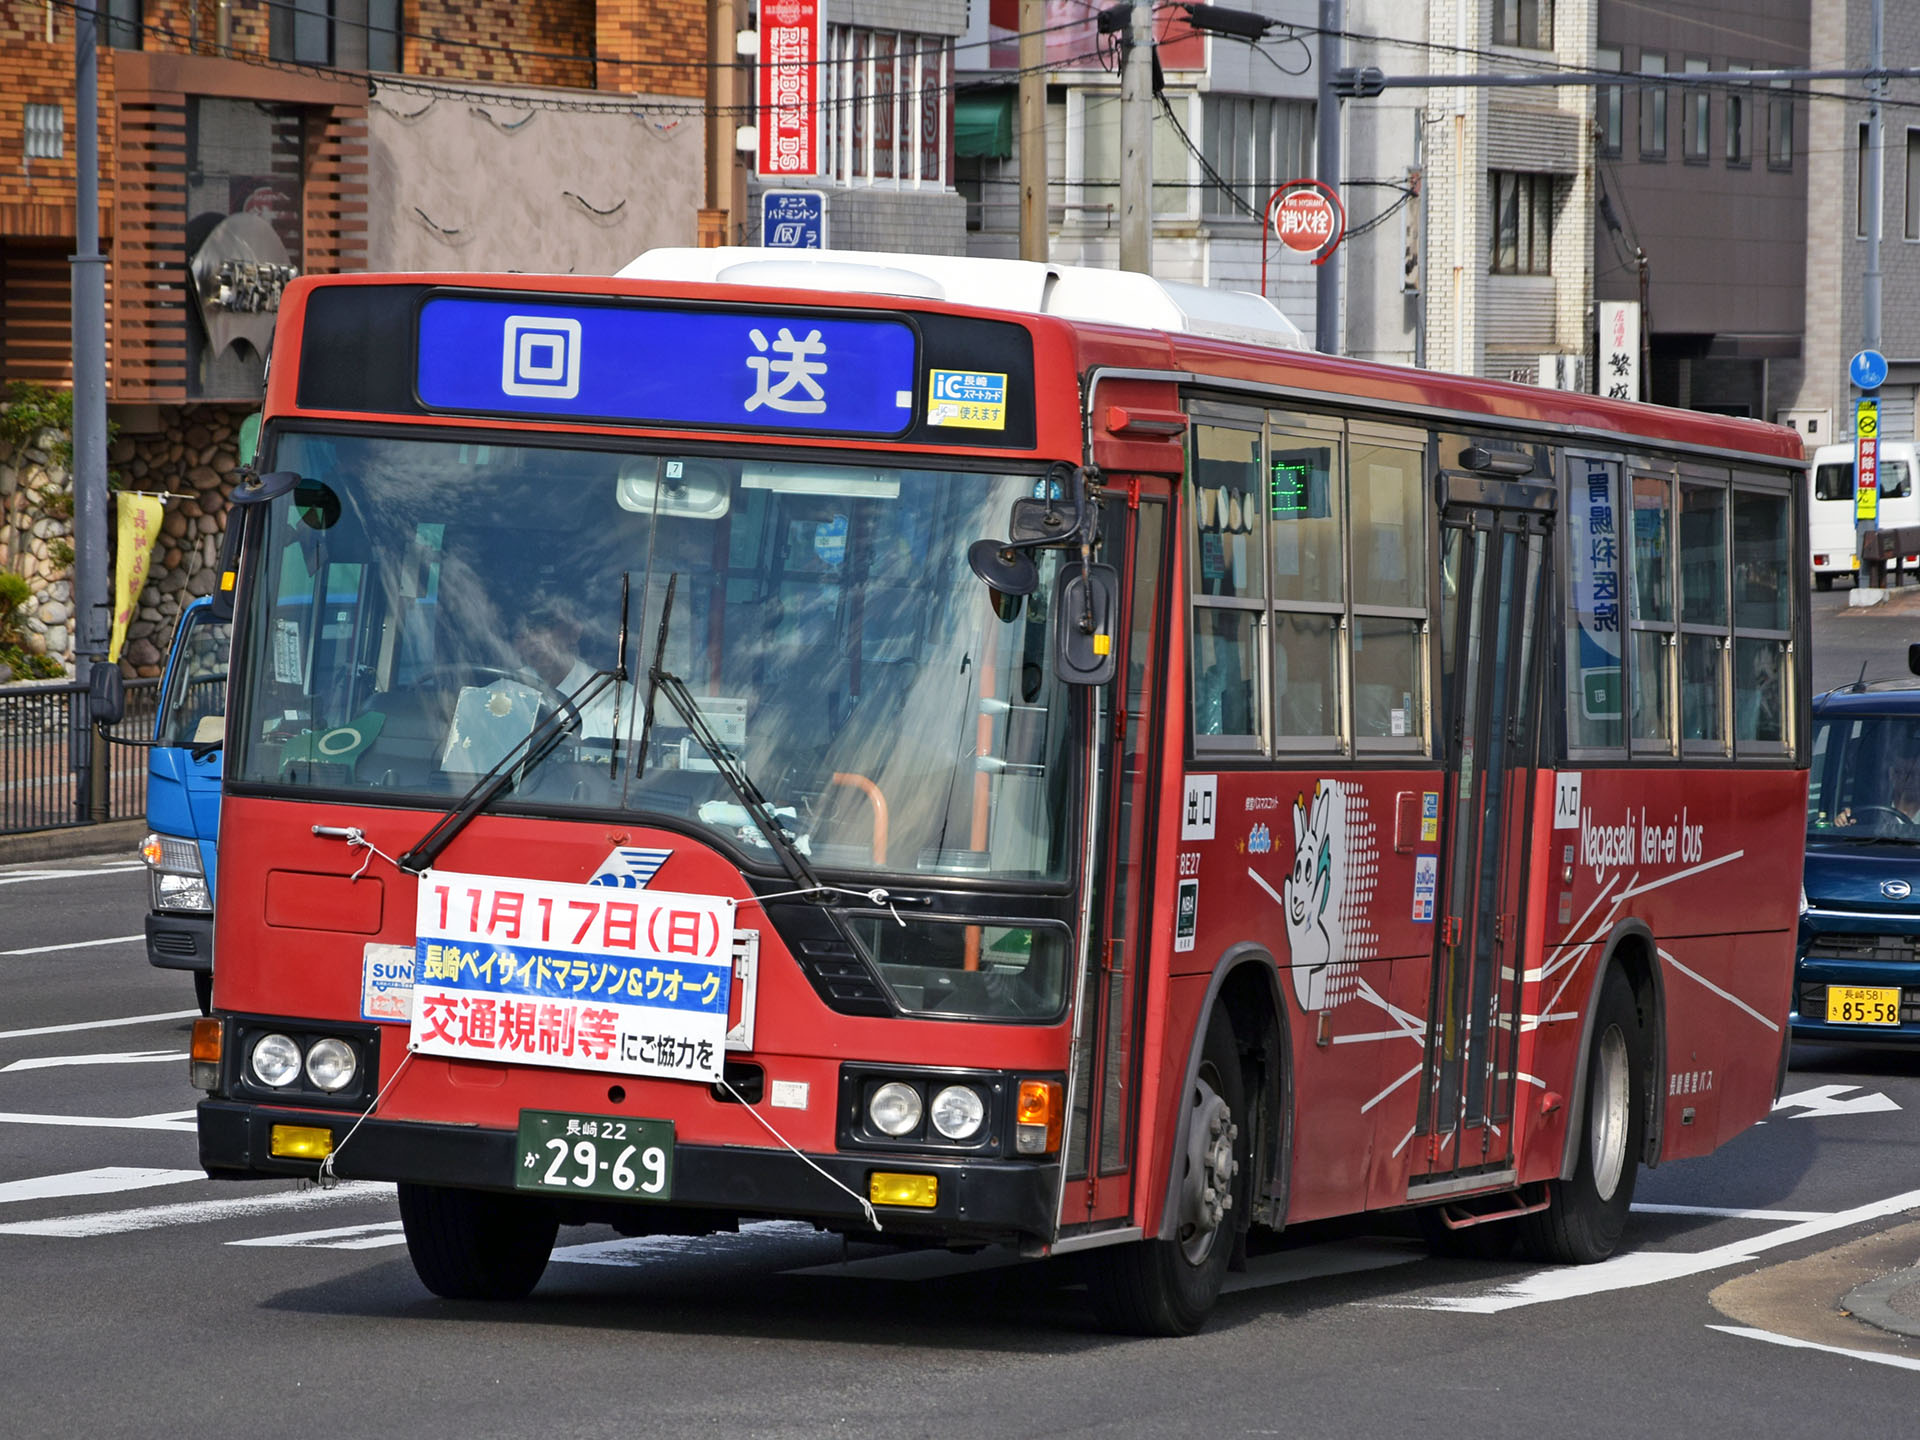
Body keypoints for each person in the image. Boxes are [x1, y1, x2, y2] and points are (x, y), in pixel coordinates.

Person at [1834, 749, 1920, 831]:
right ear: (1891, 775)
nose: (1908, 780)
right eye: (1900, 773)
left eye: (1914, 774)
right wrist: (1843, 822)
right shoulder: (1871, 813)